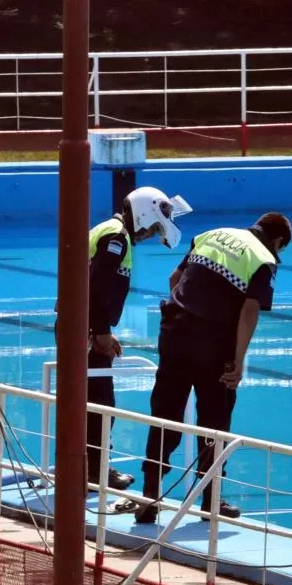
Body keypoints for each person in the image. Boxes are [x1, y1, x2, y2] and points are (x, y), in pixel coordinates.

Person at [116, 212, 292, 523]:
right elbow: (250, 310)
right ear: (278, 241)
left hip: (175, 334)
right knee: (214, 419)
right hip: (213, 343)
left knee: (165, 414)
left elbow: (175, 278)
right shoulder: (263, 258)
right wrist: (237, 361)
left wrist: (183, 315)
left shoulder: (213, 233)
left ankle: (149, 496)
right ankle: (210, 500)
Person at [55, 186, 193, 491]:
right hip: (84, 330)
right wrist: (100, 334)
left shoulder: (113, 233)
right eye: (153, 226)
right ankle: (94, 470)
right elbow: (96, 287)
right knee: (99, 402)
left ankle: (86, 466)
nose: (150, 234)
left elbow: (91, 287)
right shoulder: (117, 238)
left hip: (82, 327)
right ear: (143, 212)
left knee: (90, 401)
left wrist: (103, 331)